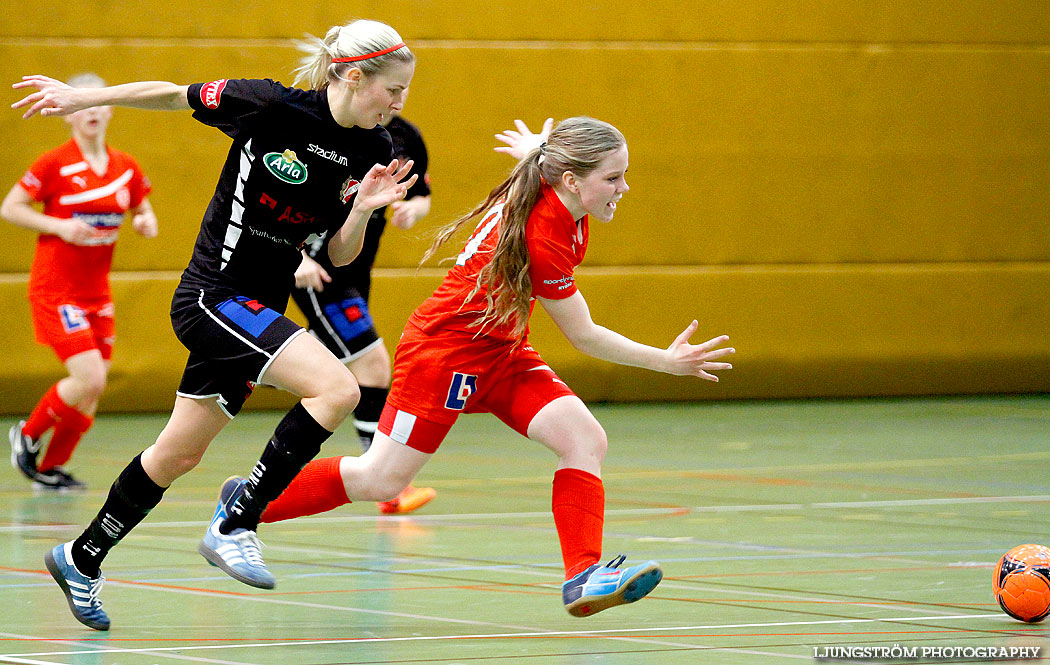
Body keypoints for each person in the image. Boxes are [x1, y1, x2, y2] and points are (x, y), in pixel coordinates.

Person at [216, 117, 735, 617]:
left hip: (502, 351)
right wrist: (667, 362)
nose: (624, 187)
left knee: (584, 438)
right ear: (573, 181)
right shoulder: (545, 234)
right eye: (613, 178)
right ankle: (247, 503)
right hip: (444, 354)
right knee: (381, 480)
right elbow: (584, 335)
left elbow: (542, 159)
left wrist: (539, 145)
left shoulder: (551, 183)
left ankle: (582, 576)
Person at [12, 19, 418, 631]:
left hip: (258, 312)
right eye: (395, 90)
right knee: (338, 388)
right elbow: (172, 93)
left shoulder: (374, 151)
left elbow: (336, 256)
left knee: (176, 454)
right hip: (211, 296)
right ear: (355, 77)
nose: (400, 104)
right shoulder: (268, 106)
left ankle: (81, 556)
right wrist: (85, 97)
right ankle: (237, 518)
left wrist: (361, 209)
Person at [3, 73, 158, 492]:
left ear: (109, 107)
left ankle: (49, 468)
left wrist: (144, 222)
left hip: (96, 291)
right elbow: (10, 207)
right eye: (81, 104)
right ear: (67, 113)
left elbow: (144, 210)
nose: (91, 110)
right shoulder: (54, 164)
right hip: (56, 288)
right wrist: (58, 225)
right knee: (88, 378)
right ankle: (29, 434)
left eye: (97, 102)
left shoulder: (125, 167)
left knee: (92, 391)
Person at [290, 107, 436, 515]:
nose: (397, 97)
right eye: (389, 86)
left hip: (357, 269)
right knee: (372, 366)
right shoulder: (326, 131)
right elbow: (289, 193)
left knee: (339, 374)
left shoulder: (406, 135)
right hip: (320, 269)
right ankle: (385, 484)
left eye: (403, 88)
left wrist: (414, 210)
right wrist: (296, 256)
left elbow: (422, 193)